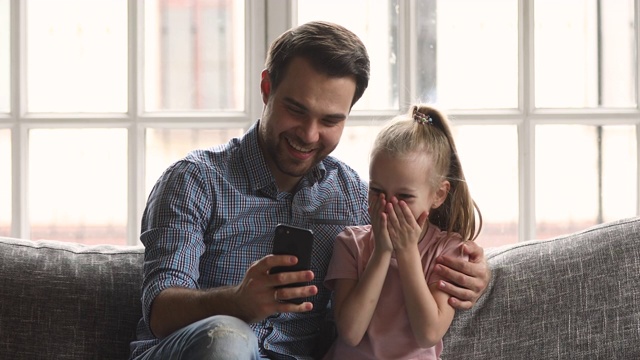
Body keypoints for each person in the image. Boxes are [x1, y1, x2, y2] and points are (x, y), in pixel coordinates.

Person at [129, 21, 490, 360]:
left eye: (330, 120)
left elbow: (420, 224)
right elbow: (160, 310)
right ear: (267, 88)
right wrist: (238, 301)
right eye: (296, 110)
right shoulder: (195, 181)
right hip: (205, 351)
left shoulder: (352, 196)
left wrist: (473, 272)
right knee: (228, 337)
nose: (310, 134)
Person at [322, 105, 482, 360]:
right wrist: (382, 251)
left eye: (404, 196)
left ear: (438, 195)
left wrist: (407, 251)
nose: (388, 205)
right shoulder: (351, 244)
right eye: (377, 191)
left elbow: (428, 333)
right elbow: (351, 333)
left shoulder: (448, 251)